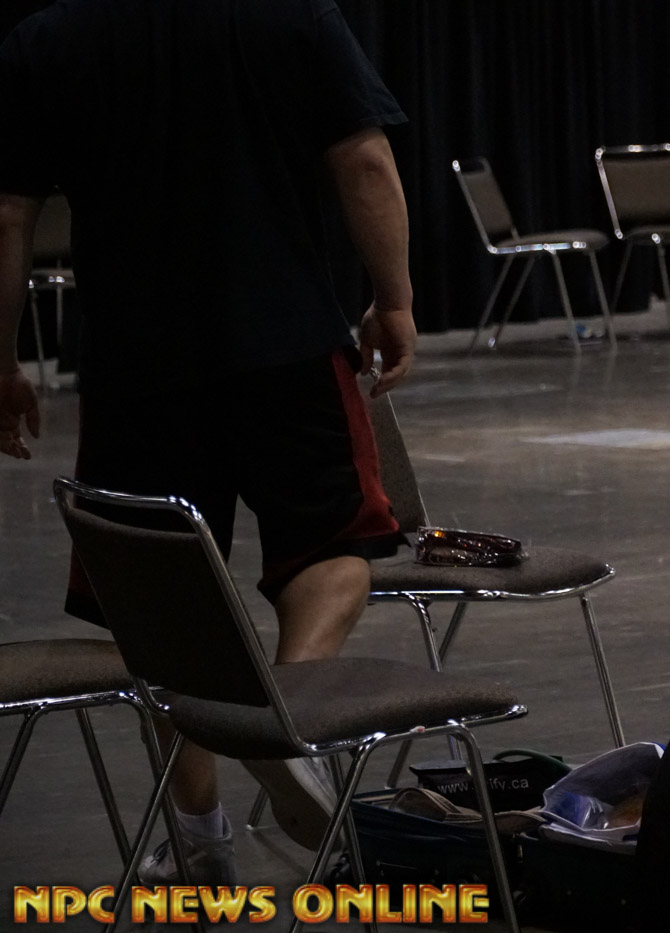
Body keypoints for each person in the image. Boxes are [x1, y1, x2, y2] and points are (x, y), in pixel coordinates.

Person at [0, 0, 416, 883]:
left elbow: (8, 216)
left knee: (160, 603)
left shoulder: (51, 39)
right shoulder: (293, 15)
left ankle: (200, 841)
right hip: (289, 345)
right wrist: (396, 299)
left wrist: (2, 361)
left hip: (135, 370)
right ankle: (282, 724)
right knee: (334, 548)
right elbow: (366, 161)